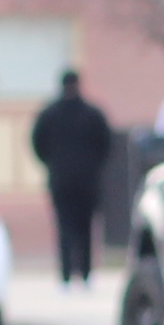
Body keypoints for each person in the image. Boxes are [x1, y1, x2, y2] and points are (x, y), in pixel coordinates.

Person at [25, 69, 114, 289]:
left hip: (61, 179)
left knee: (64, 227)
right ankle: (85, 274)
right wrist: (94, 166)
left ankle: (65, 275)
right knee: (85, 228)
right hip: (87, 180)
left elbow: (37, 143)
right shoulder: (93, 114)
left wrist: (51, 164)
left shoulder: (49, 114)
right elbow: (106, 145)